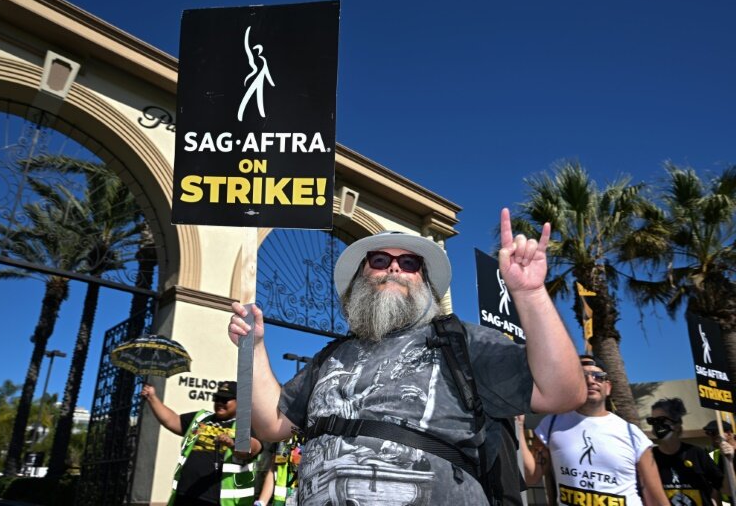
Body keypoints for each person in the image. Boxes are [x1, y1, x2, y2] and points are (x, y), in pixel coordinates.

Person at [228, 208, 587, 505]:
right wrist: (255, 348)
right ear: (360, 280)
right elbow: (271, 426)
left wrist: (530, 293)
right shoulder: (330, 357)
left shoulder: (462, 342)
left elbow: (563, 393)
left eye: (410, 263)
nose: (395, 268)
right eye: (380, 260)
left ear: (426, 285)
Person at [520, 354, 670, 506]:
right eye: (583, 376)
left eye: (598, 376)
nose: (591, 380)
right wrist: (519, 426)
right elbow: (531, 476)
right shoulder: (551, 425)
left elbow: (655, 497)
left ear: (608, 387)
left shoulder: (632, 434)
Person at [141, 381, 262, 506]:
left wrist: (232, 444)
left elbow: (252, 449)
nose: (219, 402)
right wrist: (152, 397)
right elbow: (171, 420)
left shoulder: (247, 426)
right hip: (186, 492)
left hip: (219, 500)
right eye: (217, 398)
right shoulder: (201, 418)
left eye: (225, 400)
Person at [649, 397, 723, 505]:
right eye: (653, 421)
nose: (657, 425)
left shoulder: (697, 453)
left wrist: (729, 459)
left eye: (662, 420)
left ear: (677, 425)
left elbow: (722, 487)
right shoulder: (649, 457)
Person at [705, 420, 736, 505]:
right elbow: (719, 488)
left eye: (714, 433)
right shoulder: (718, 456)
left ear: (729, 434)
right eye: (708, 433)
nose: (711, 437)